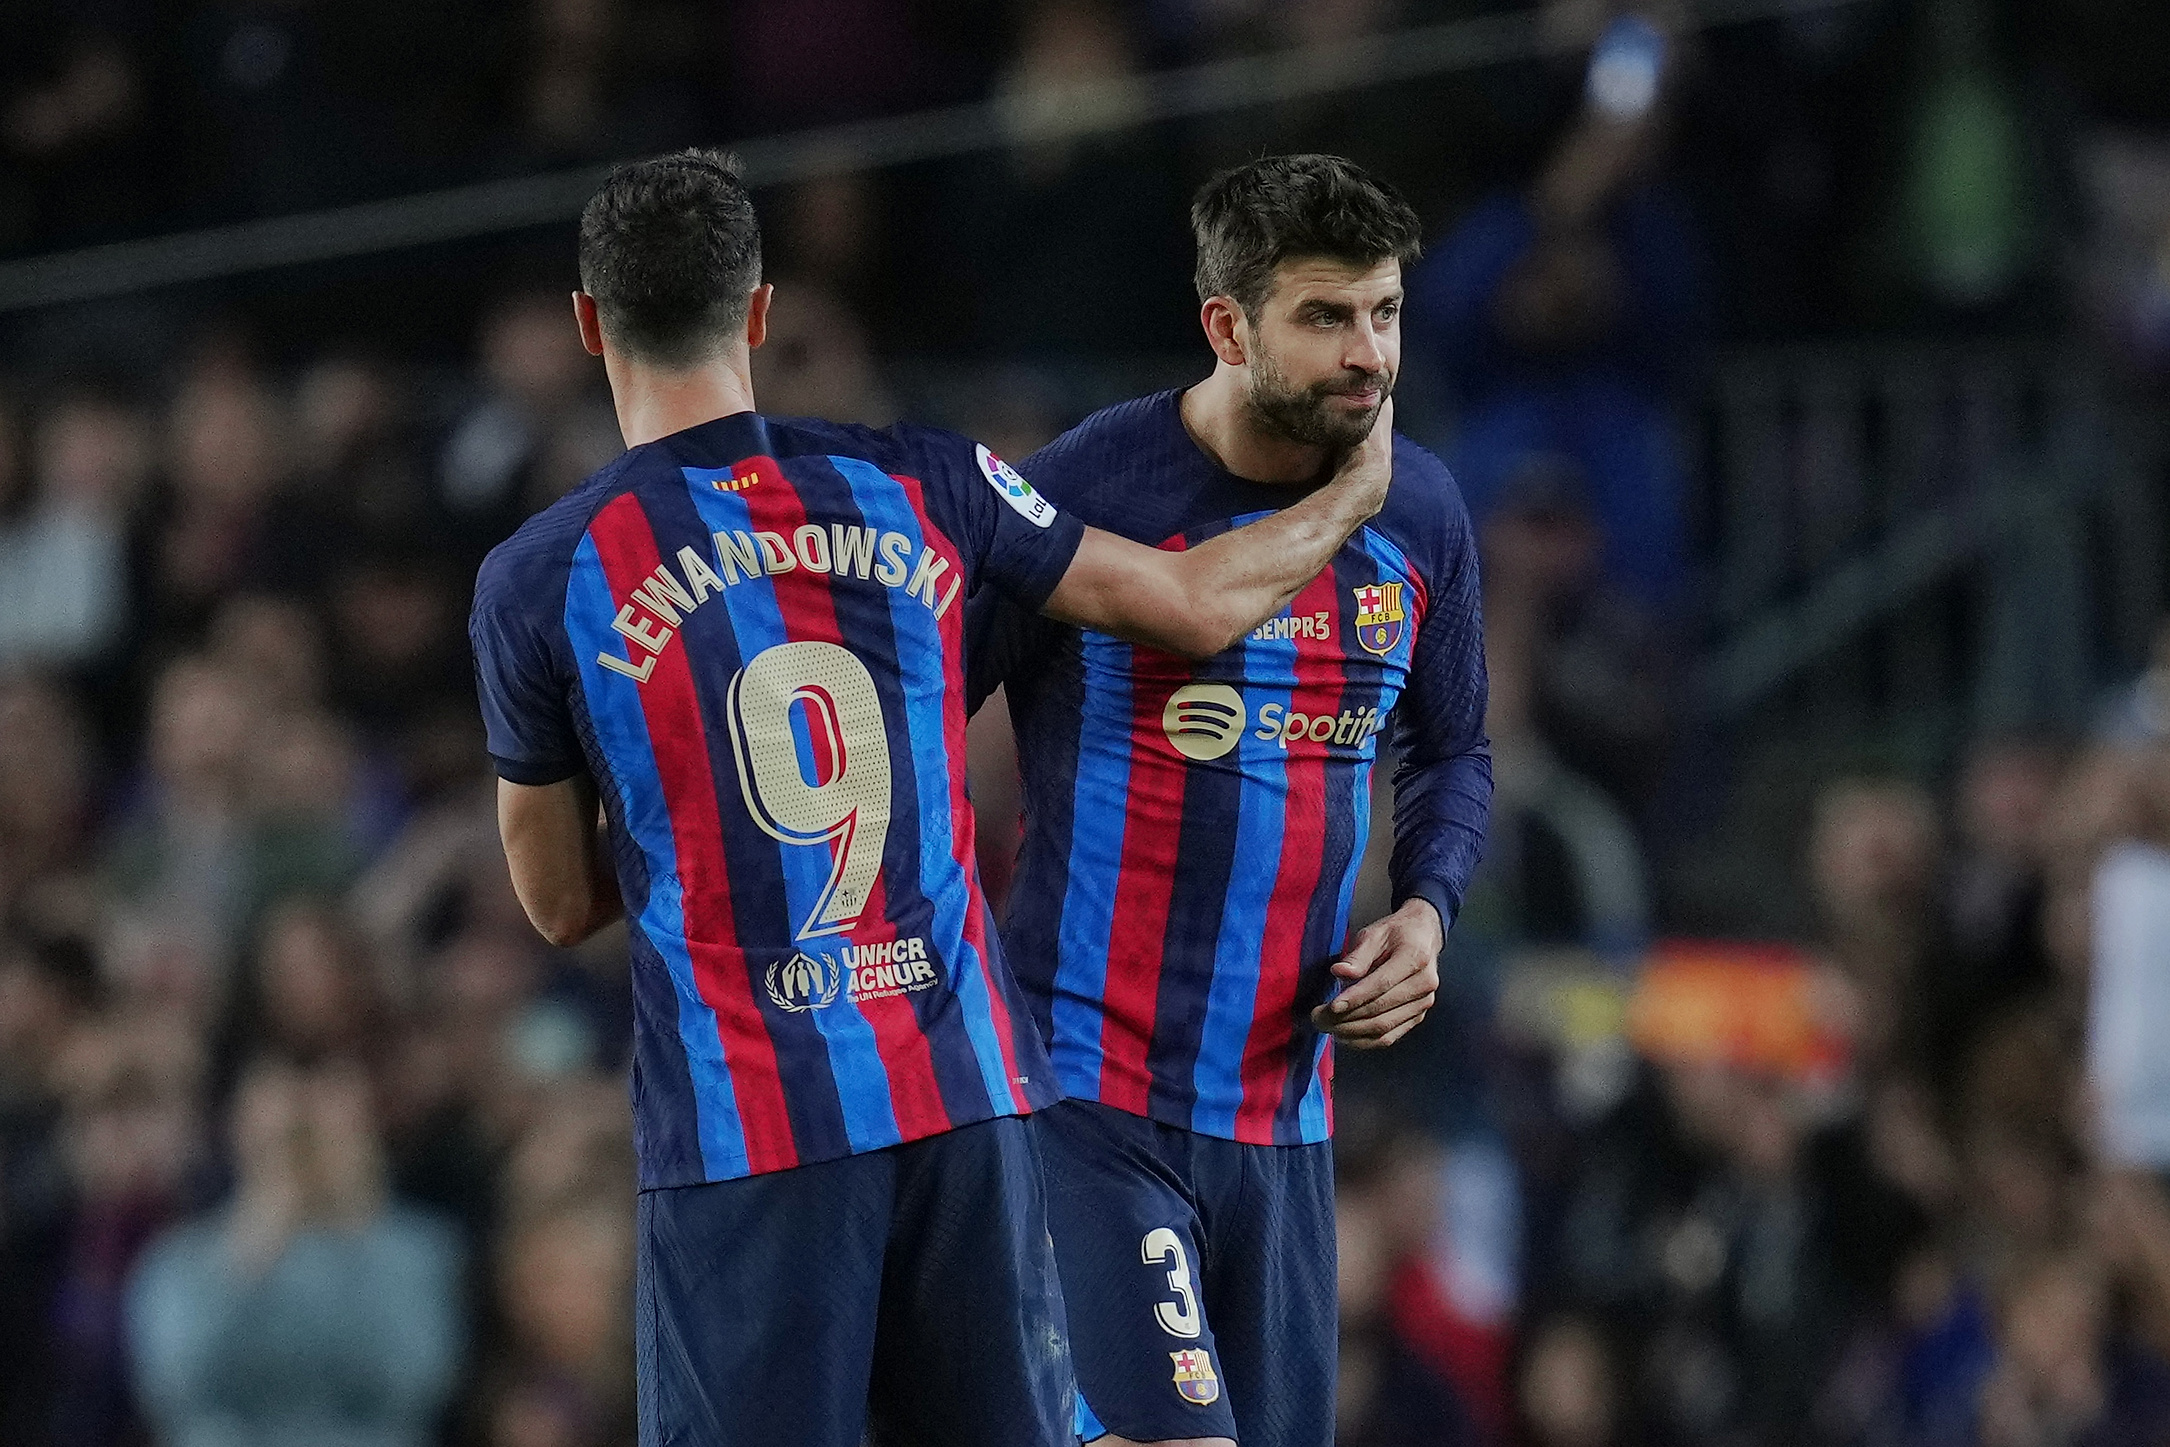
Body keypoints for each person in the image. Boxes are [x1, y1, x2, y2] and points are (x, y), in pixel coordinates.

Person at [467, 149, 1397, 1447]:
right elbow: (1190, 603)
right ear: (756, 312)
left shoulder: (539, 576)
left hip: (751, 1132)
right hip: (963, 1097)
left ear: (586, 324)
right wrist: (1355, 488)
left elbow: (560, 905)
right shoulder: (924, 481)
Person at [969, 154, 1492, 1447]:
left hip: (1283, 1117)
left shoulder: (1417, 511)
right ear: (1225, 325)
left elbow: (1453, 751)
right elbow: (916, 720)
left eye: (1381, 313)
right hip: (1085, 1095)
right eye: (1322, 318)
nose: (1364, 353)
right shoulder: (1087, 499)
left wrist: (1425, 913)